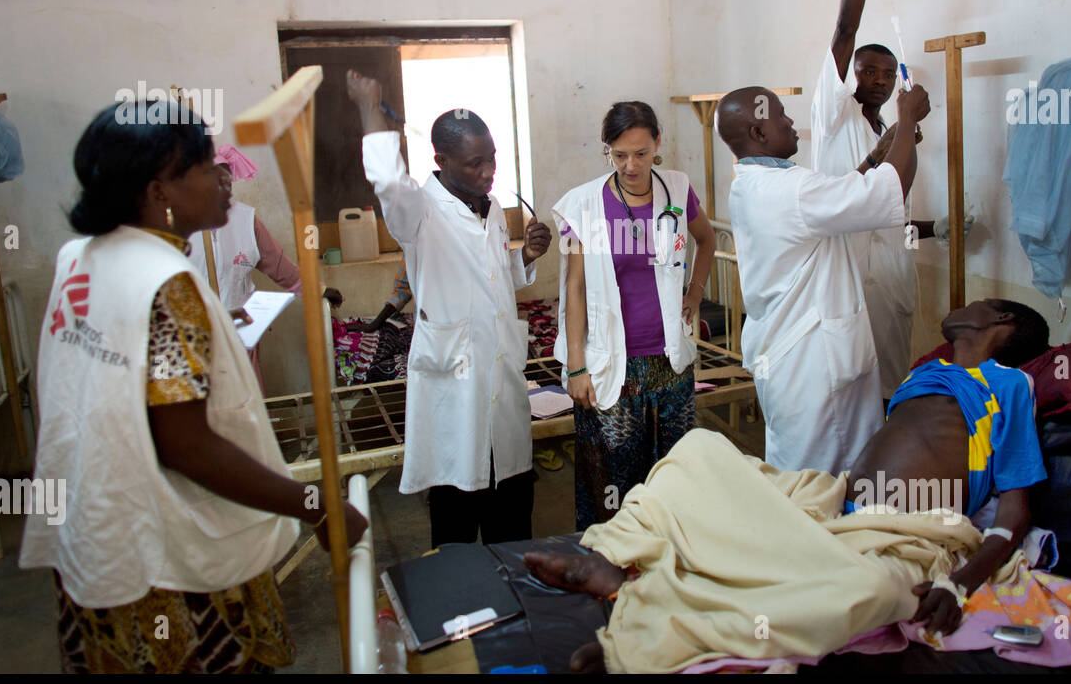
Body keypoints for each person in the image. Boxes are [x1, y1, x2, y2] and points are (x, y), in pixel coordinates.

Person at [19, 99, 368, 673]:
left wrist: (205, 330)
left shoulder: (79, 256)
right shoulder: (168, 284)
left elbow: (122, 355)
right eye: (208, 168)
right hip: (161, 555)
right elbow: (184, 445)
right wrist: (318, 504)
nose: (224, 179)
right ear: (160, 193)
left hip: (91, 530)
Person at [525, 298, 1050, 674]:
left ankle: (651, 627)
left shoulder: (1010, 384)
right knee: (698, 452)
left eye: (978, 301)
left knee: (874, 592)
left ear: (1000, 318)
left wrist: (960, 581)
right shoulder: (927, 372)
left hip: (906, 530)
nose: (959, 309)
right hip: (832, 500)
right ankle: (615, 557)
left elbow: (1015, 509)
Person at [347, 70, 552, 547]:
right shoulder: (417, 211)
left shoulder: (493, 205)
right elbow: (387, 181)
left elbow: (491, 279)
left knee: (513, 527)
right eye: (475, 163)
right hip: (453, 389)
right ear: (440, 160)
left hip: (502, 383)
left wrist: (523, 257)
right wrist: (368, 108)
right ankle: (462, 616)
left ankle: (517, 610)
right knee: (458, 529)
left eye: (493, 159)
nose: (488, 171)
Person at [810, 0, 974, 402]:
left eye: (887, 72)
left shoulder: (890, 133)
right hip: (848, 285)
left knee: (887, 396)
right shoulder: (835, 115)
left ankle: (879, 480)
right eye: (867, 70)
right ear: (849, 74)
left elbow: (885, 213)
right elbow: (844, 28)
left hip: (891, 284)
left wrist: (932, 229)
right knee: (848, 399)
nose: (878, 79)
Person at [718, 82, 927, 473]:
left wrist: (872, 158)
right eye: (780, 115)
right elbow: (889, 192)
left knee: (799, 469)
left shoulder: (754, 184)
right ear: (759, 133)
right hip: (814, 361)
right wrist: (908, 116)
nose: (791, 120)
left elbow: (833, 200)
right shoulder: (789, 190)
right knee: (821, 479)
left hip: (792, 355)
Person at [552, 101, 716, 529]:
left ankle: (671, 558)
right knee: (612, 480)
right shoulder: (584, 204)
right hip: (611, 363)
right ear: (606, 150)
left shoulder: (677, 190)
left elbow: (707, 241)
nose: (630, 165)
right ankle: (613, 562)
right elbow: (575, 286)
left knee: (675, 472)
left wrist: (695, 293)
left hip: (669, 360)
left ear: (657, 144)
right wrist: (576, 364)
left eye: (641, 153)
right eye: (619, 154)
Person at [186, 145, 341, 392]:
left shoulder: (245, 221)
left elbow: (281, 268)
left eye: (228, 181)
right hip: (194, 340)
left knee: (249, 405)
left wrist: (318, 290)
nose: (225, 189)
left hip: (241, 337)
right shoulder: (179, 224)